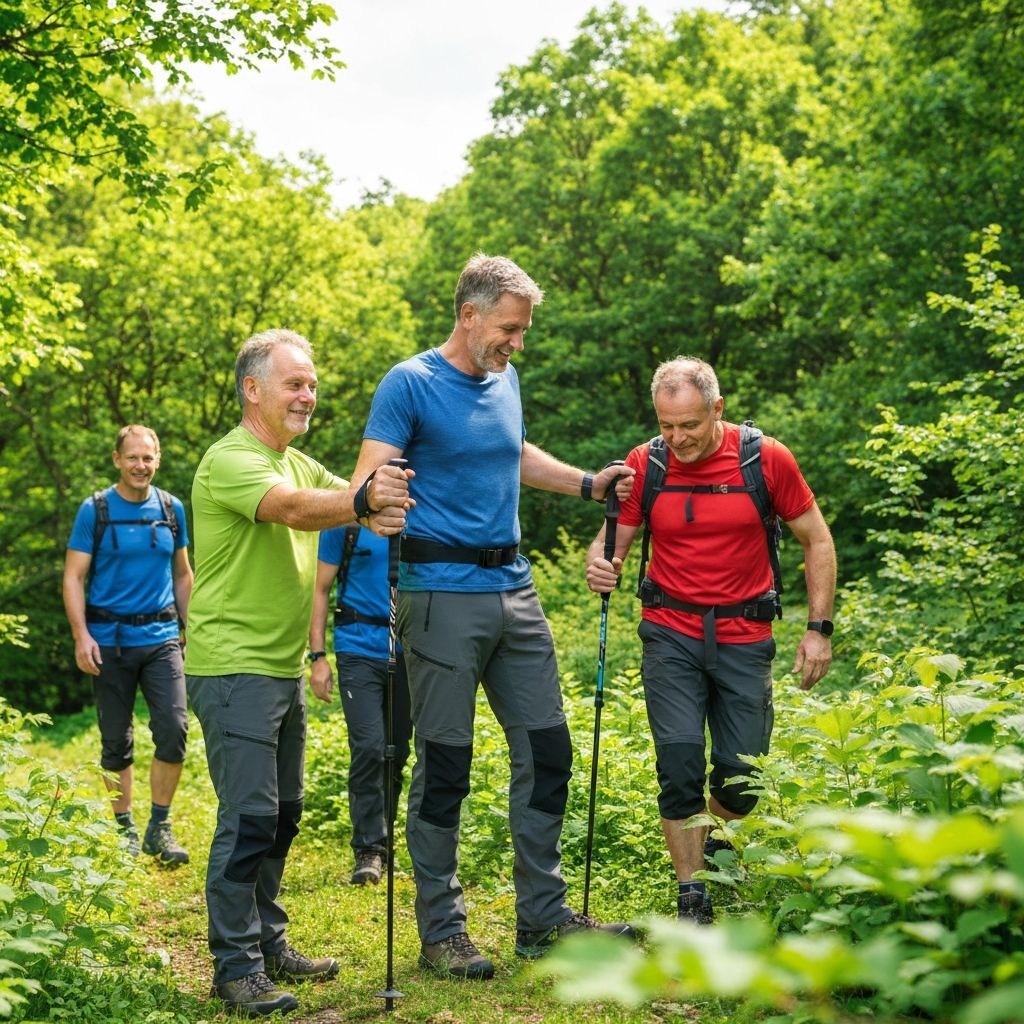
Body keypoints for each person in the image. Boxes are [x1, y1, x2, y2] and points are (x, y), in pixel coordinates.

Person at [350, 253, 636, 981]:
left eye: (524, 330)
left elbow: (511, 454)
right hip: (439, 594)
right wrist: (377, 497)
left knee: (548, 750)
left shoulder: (504, 378)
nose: (518, 343)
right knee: (446, 763)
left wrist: (585, 484)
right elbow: (367, 478)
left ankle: (544, 919)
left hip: (515, 587)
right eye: (509, 328)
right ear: (468, 314)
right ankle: (442, 933)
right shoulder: (409, 383)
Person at [184, 328, 410, 1018]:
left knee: (283, 815)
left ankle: (268, 942)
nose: (308, 394)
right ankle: (236, 969)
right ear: (253, 389)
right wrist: (364, 501)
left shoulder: (299, 462)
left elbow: (352, 499)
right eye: (294, 382)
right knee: (250, 817)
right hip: (233, 666)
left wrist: (392, 490)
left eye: (312, 383)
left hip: (279, 669)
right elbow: (295, 508)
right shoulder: (232, 459)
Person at [585, 356, 836, 925]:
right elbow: (610, 544)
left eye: (689, 425)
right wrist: (602, 564)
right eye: (666, 425)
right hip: (670, 633)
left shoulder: (765, 460)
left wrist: (818, 629)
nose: (677, 438)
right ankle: (692, 894)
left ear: (717, 409)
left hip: (745, 634)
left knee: (741, 775)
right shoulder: (646, 464)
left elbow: (817, 540)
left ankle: (718, 841)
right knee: (678, 764)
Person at [63, 424, 193, 866]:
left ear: (158, 460)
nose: (141, 465)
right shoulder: (95, 510)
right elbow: (73, 577)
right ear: (117, 460)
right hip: (109, 642)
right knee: (115, 742)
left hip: (161, 639)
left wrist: (191, 629)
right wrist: (81, 635)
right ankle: (124, 830)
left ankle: (160, 826)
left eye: (148, 458)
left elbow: (183, 575)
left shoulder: (172, 508)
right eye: (132, 457)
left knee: (173, 729)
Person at [309, 523, 412, 886]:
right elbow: (320, 589)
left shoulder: (424, 517)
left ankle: (385, 839)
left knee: (397, 751)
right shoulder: (345, 524)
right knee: (369, 747)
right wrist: (318, 657)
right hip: (357, 648)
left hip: (411, 651)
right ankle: (369, 848)